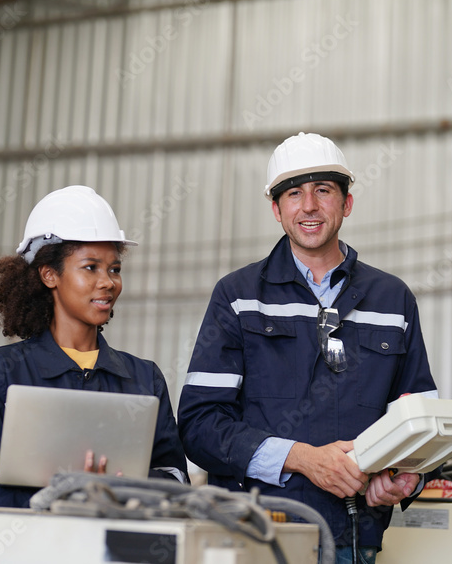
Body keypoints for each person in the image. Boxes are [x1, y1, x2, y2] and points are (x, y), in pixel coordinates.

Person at [178, 133, 438, 563]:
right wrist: (300, 458)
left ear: (346, 203)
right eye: (294, 194)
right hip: (256, 535)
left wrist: (405, 477)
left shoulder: (393, 300)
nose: (309, 206)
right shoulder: (239, 297)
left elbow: (422, 419)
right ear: (277, 210)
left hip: (355, 540)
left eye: (323, 190)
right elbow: (200, 425)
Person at [0, 185, 188, 507]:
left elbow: (175, 479)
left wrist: (120, 488)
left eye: (114, 269)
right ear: (49, 275)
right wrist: (56, 499)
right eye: (90, 268)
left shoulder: (143, 378)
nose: (108, 282)